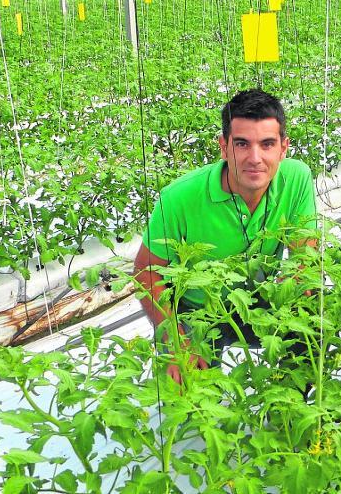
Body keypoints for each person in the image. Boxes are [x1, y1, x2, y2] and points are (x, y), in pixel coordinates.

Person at [133, 89, 316, 384]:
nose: (254, 158)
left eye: (267, 144)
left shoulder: (296, 178)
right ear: (223, 147)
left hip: (260, 298)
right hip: (197, 312)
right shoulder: (179, 198)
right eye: (242, 144)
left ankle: (291, 406)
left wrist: (296, 289)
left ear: (283, 148)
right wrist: (176, 339)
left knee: (315, 318)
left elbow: (304, 258)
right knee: (190, 396)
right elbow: (145, 272)